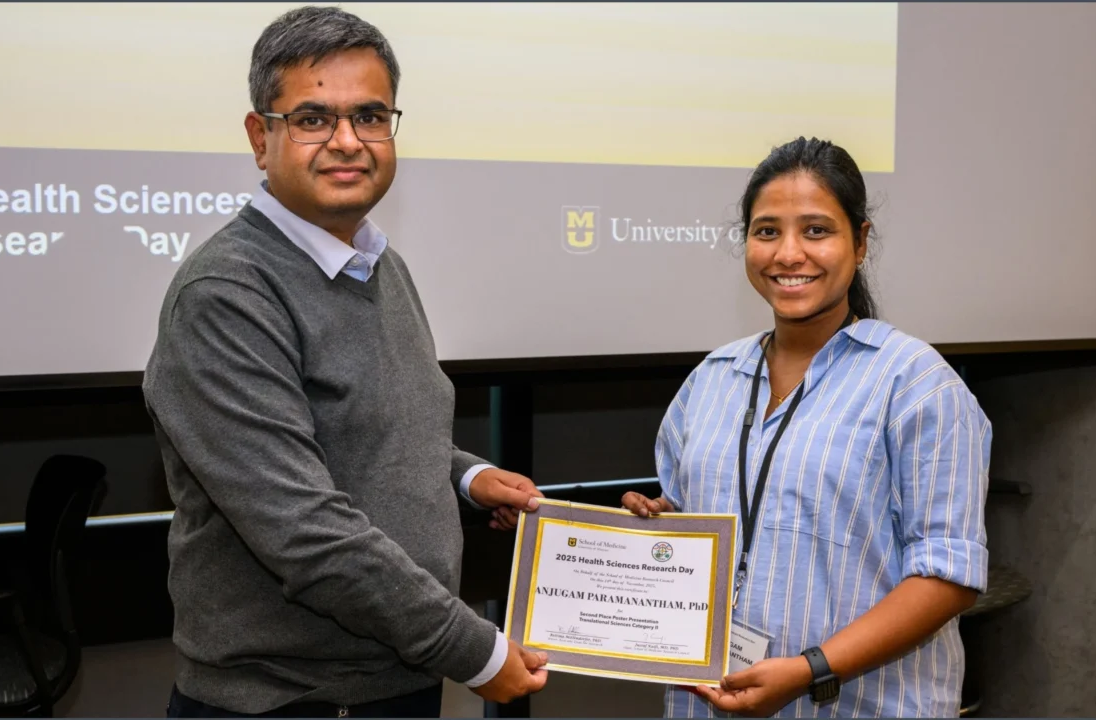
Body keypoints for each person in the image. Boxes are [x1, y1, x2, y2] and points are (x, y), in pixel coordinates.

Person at [143, 6, 548, 717]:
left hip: (391, 681)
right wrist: (477, 655)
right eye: (312, 118)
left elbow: (362, 426)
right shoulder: (227, 292)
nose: (347, 142)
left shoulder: (376, 264)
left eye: (370, 116)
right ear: (259, 137)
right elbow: (303, 529)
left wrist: (469, 476)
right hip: (290, 703)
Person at [622, 137, 992, 718]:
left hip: (858, 705)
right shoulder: (711, 379)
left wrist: (810, 670)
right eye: (767, 231)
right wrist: (657, 529)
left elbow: (948, 576)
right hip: (706, 701)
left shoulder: (918, 384)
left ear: (861, 241)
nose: (788, 253)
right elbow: (701, 520)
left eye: (816, 230)